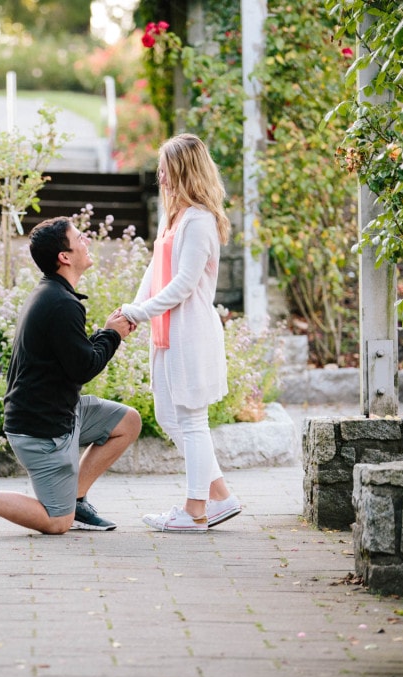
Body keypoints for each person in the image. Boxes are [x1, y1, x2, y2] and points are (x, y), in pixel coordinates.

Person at [0, 216, 142, 535]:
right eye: (80, 238)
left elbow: (75, 358)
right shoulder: (59, 303)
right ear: (65, 256)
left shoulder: (56, 295)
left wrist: (106, 334)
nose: (87, 240)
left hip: (62, 412)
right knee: (56, 522)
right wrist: (111, 335)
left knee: (128, 421)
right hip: (41, 430)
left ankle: (75, 499)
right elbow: (83, 368)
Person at [119, 133, 242, 533]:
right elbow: (155, 273)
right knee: (169, 416)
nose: (160, 174)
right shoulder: (175, 219)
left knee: (191, 420)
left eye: (166, 167)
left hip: (189, 334)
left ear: (184, 170)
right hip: (166, 333)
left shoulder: (199, 221)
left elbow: (184, 285)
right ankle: (221, 497)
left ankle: (195, 510)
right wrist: (134, 309)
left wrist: (140, 311)